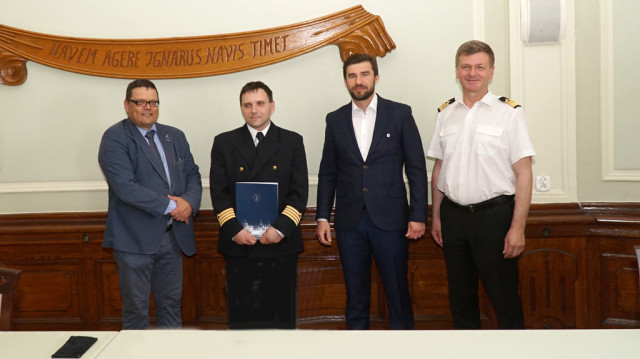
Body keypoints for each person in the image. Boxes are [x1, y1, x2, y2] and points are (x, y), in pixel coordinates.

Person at [427, 40, 535, 329]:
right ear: (457, 71)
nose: (471, 73)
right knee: (460, 300)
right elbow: (439, 168)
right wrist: (436, 216)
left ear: (491, 71)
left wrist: (518, 228)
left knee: (504, 299)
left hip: (494, 217)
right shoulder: (445, 113)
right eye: (465, 67)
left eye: (479, 67)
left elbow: (524, 173)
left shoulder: (510, 113)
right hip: (453, 217)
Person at [316, 54, 428, 330]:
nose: (358, 81)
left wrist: (419, 215)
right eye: (352, 76)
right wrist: (321, 217)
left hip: (391, 221)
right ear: (346, 81)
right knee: (356, 296)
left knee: (398, 293)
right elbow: (328, 171)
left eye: (364, 74)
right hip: (349, 222)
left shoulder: (400, 114)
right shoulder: (335, 120)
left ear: (376, 77)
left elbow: (416, 169)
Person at [98, 79, 202, 329]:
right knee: (136, 313)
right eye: (140, 102)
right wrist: (173, 208)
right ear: (127, 105)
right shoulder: (114, 138)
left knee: (171, 307)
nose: (148, 107)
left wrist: (189, 202)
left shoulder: (174, 135)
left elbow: (193, 175)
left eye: (153, 102)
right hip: (134, 240)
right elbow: (126, 187)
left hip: (172, 238)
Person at [210, 81, 308, 329]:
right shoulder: (224, 142)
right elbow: (219, 193)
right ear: (241, 108)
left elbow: (298, 193)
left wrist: (279, 229)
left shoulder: (292, 141)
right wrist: (235, 230)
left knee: (280, 316)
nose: (254, 110)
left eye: (260, 103)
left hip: (279, 243)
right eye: (247, 105)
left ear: (272, 106)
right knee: (242, 318)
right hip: (240, 244)